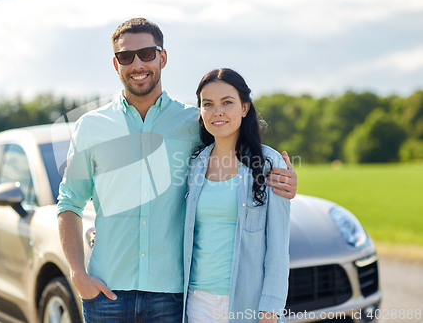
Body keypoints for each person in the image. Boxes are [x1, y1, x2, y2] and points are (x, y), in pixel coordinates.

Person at [57, 18, 297, 323]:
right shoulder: (91, 127)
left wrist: (283, 179)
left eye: (146, 53)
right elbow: (69, 203)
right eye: (125, 57)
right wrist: (78, 273)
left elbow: (236, 151)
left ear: (162, 57)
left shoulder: (193, 124)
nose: (137, 64)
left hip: (173, 298)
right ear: (116, 64)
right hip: (106, 293)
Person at [183, 68, 290, 323]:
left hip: (248, 305)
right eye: (208, 104)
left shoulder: (269, 163)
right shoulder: (194, 164)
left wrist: (270, 310)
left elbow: (278, 246)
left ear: (244, 108)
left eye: (227, 102)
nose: (217, 111)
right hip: (197, 303)